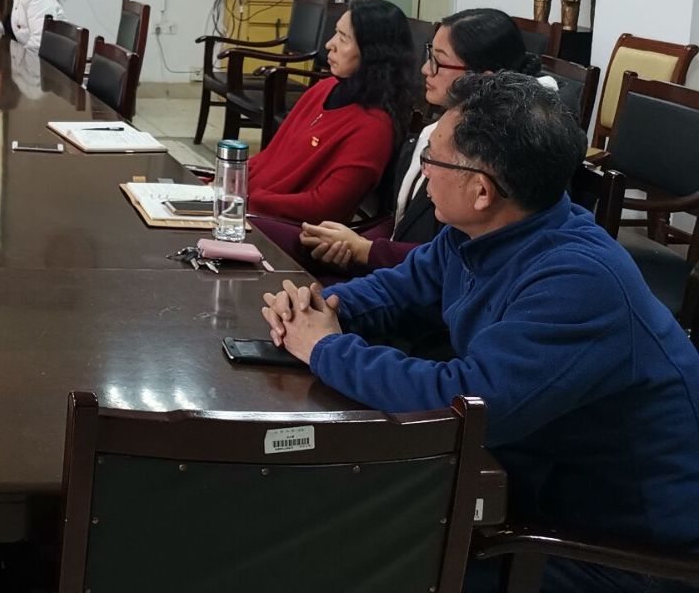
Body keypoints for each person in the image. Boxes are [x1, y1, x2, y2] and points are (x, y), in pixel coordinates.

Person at [262, 72, 699, 593]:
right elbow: (398, 290)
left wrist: (326, 348)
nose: (423, 169)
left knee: (352, 558)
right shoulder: (484, 232)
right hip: (530, 487)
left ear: (482, 190)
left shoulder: (579, 282)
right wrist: (316, 308)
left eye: (433, 159)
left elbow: (466, 403)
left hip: (622, 553)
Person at [300, 9, 553, 274]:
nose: (424, 69)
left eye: (438, 61)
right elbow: (404, 222)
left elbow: (454, 258)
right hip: (397, 273)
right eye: (429, 54)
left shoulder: (499, 156)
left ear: (483, 79)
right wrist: (355, 242)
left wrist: (367, 249)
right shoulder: (437, 132)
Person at [244, 0, 418, 224]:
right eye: (336, 33)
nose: (329, 44)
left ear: (373, 53)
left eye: (343, 38)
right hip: (252, 206)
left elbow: (325, 207)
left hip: (290, 228)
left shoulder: (374, 127)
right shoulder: (325, 87)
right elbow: (271, 157)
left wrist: (249, 201)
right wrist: (232, 178)